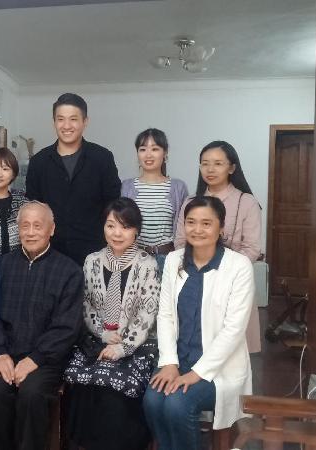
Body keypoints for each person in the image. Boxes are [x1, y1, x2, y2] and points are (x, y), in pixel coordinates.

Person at [143, 196, 254, 450]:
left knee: (177, 404)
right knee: (152, 401)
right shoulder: (174, 260)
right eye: (191, 222)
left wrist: (197, 373)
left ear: (221, 227)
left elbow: (234, 330)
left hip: (220, 369)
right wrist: (169, 363)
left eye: (206, 223)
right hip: (178, 359)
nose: (197, 229)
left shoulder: (239, 266)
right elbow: (165, 315)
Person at [0, 201, 84, 450]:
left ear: (51, 229)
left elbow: (67, 327)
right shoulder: (1, 266)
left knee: (31, 393)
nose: (30, 232)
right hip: (5, 354)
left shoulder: (69, 271)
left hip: (46, 360)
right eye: (24, 226)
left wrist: (35, 358)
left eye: (37, 226)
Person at [64, 197, 160, 450]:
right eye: (111, 225)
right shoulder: (92, 261)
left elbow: (147, 313)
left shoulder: (147, 264)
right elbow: (85, 304)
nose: (117, 233)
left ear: (136, 230)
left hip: (136, 345)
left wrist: (122, 347)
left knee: (115, 389)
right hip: (98, 341)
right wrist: (102, 333)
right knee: (80, 380)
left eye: (125, 227)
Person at [174, 140, 262, 353]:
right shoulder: (191, 202)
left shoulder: (246, 202)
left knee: (231, 351)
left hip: (232, 283)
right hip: (195, 280)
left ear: (232, 168)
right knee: (193, 345)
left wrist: (221, 271)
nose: (210, 169)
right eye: (205, 164)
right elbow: (180, 242)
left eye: (218, 163)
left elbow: (252, 248)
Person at [25, 93, 121, 266]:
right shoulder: (39, 162)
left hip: (94, 254)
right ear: (54, 122)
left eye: (73, 119)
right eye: (60, 119)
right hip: (50, 254)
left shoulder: (102, 158)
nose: (67, 125)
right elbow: (33, 207)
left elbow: (113, 205)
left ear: (85, 121)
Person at [121, 128, 188, 271]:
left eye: (155, 149)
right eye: (143, 149)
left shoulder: (178, 187)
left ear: (165, 153)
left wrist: (181, 260)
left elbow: (184, 228)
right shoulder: (126, 187)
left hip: (168, 259)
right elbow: (121, 224)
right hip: (134, 259)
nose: (148, 154)